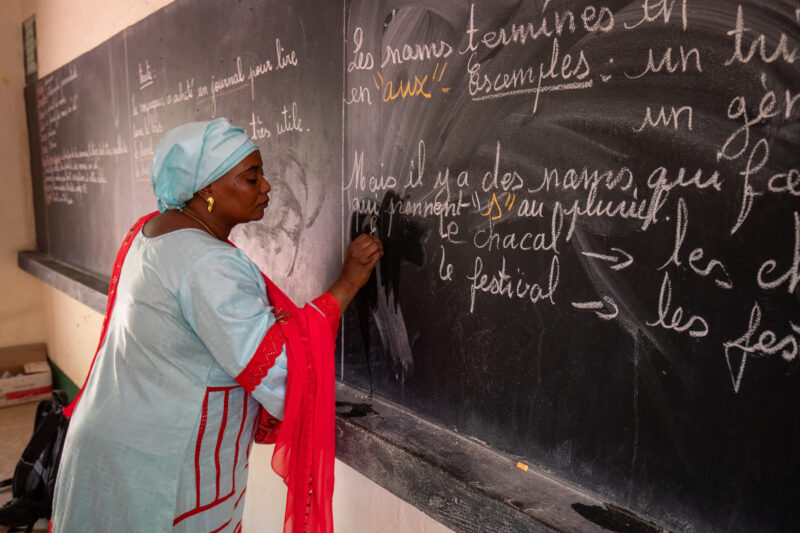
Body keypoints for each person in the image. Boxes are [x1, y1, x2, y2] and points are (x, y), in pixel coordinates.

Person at [50, 118, 383, 532]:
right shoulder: (208, 264)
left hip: (118, 441)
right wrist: (347, 284)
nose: (267, 187)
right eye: (250, 177)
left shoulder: (153, 230)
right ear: (207, 188)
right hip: (162, 466)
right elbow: (282, 369)